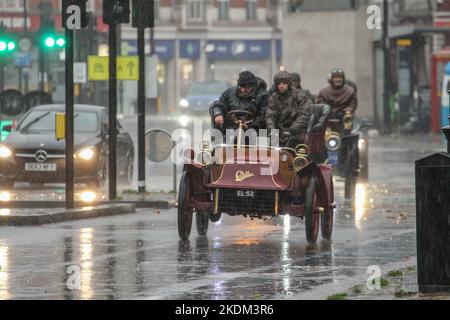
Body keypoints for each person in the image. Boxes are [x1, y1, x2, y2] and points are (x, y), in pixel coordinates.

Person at [265, 71, 311, 148]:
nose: (281, 86)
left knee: (295, 144)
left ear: (289, 84)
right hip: (278, 132)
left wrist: (290, 131)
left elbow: (303, 116)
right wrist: (272, 130)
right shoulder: (273, 98)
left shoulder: (299, 95)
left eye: (284, 83)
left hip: (296, 132)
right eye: (278, 84)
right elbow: (270, 116)